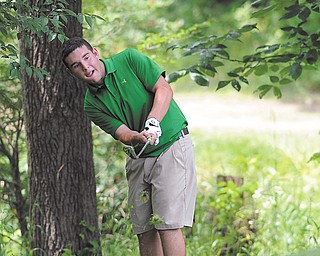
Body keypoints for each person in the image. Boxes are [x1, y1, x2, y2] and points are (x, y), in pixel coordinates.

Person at [61, 37, 197, 256]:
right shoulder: (91, 104)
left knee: (167, 224)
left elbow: (164, 89)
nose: (85, 67)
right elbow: (121, 132)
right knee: (144, 229)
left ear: (95, 53)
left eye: (86, 57)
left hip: (170, 146)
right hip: (139, 156)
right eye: (76, 65)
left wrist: (153, 121)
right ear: (71, 72)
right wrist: (137, 136)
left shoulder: (129, 59)